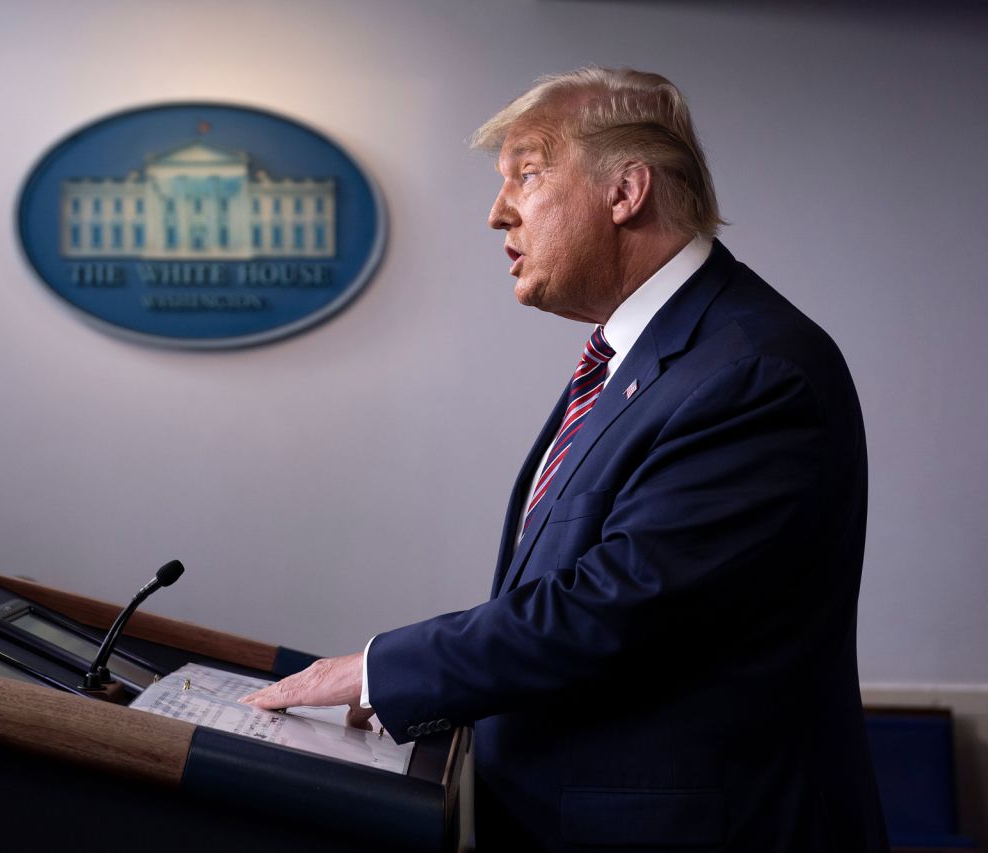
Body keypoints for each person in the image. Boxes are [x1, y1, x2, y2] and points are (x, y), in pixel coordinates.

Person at [241, 67, 888, 851]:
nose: (496, 211)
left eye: (528, 173)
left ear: (626, 194)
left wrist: (384, 672)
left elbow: (611, 605)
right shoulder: (639, 356)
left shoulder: (754, 369)